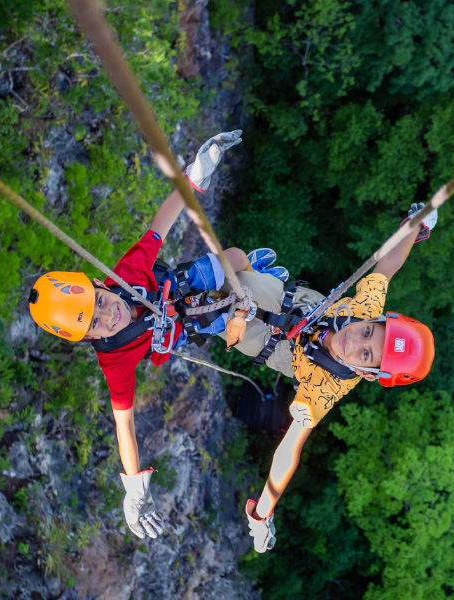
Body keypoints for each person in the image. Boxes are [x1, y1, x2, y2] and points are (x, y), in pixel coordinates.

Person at [27, 130, 286, 541]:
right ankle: (246, 300)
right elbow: (124, 426)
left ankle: (252, 276)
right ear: (87, 339)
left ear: (98, 282)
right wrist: (133, 487)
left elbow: (160, 224)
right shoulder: (114, 358)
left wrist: (193, 178)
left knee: (235, 259)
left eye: (99, 301)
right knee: (231, 320)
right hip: (185, 325)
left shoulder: (126, 276)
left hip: (179, 286)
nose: (108, 314)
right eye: (95, 323)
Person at [240, 204, 438, 554]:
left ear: (367, 373)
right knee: (238, 282)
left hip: (277, 348)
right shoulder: (366, 308)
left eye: (365, 354)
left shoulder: (326, 388)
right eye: (367, 332)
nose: (355, 340)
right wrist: (413, 228)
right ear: (374, 320)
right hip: (297, 306)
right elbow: (388, 265)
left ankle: (253, 284)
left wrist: (264, 513)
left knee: (226, 318)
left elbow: (290, 449)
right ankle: (256, 278)